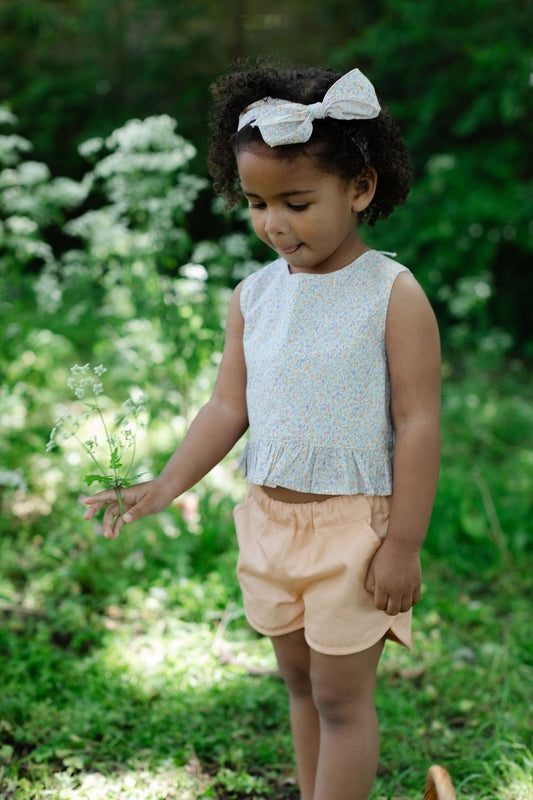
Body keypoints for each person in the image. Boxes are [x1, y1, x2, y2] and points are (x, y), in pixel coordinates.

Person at [83, 64, 441, 800]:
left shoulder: (391, 295)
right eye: (256, 203)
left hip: (354, 532)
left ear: (360, 189)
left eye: (297, 202)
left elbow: (417, 423)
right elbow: (226, 407)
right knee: (302, 687)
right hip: (269, 525)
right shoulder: (254, 295)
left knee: (344, 700)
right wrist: (163, 484)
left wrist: (402, 543)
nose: (274, 223)